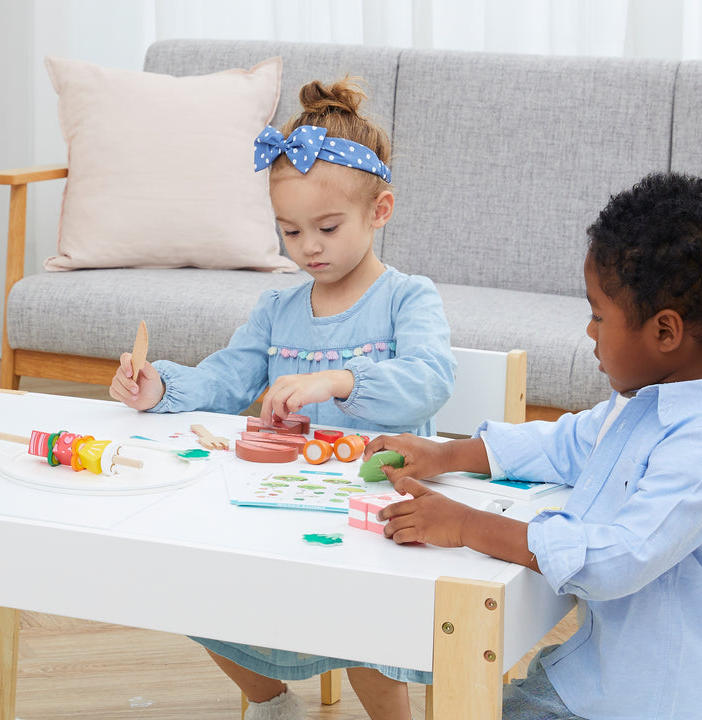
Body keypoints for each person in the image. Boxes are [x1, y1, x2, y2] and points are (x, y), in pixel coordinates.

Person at [110, 77, 455, 719]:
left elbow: (431, 378)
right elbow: (228, 377)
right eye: (289, 232)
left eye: (326, 227)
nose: (308, 248)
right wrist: (159, 385)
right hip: (280, 500)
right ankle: (272, 703)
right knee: (196, 585)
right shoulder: (277, 307)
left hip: (375, 501)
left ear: (380, 211)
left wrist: (341, 380)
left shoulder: (408, 297)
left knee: (364, 624)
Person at [365, 172, 702, 720]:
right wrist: (447, 455)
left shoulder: (694, 443)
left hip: (645, 701)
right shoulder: (647, 402)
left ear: (665, 332)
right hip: (590, 674)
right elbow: (567, 442)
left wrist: (470, 526)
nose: (590, 332)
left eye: (598, 314)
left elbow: (620, 558)